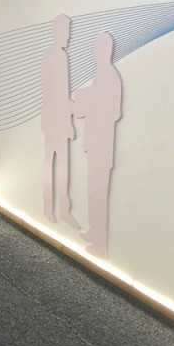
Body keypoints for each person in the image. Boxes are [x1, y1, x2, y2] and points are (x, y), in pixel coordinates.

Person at [73, 32, 122, 258]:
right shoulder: (102, 74)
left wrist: (87, 102)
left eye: (98, 48)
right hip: (96, 143)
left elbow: (113, 111)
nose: (95, 52)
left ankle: (100, 244)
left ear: (105, 50)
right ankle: (94, 232)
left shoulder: (109, 76)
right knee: (93, 190)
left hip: (102, 145)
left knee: (99, 192)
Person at [40, 14, 78, 227]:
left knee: (56, 164)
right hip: (56, 121)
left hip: (55, 120)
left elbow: (58, 93)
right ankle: (56, 209)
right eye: (66, 31)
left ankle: (57, 209)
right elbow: (56, 93)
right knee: (57, 164)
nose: (68, 36)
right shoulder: (56, 56)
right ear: (58, 31)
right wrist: (71, 109)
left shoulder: (53, 54)